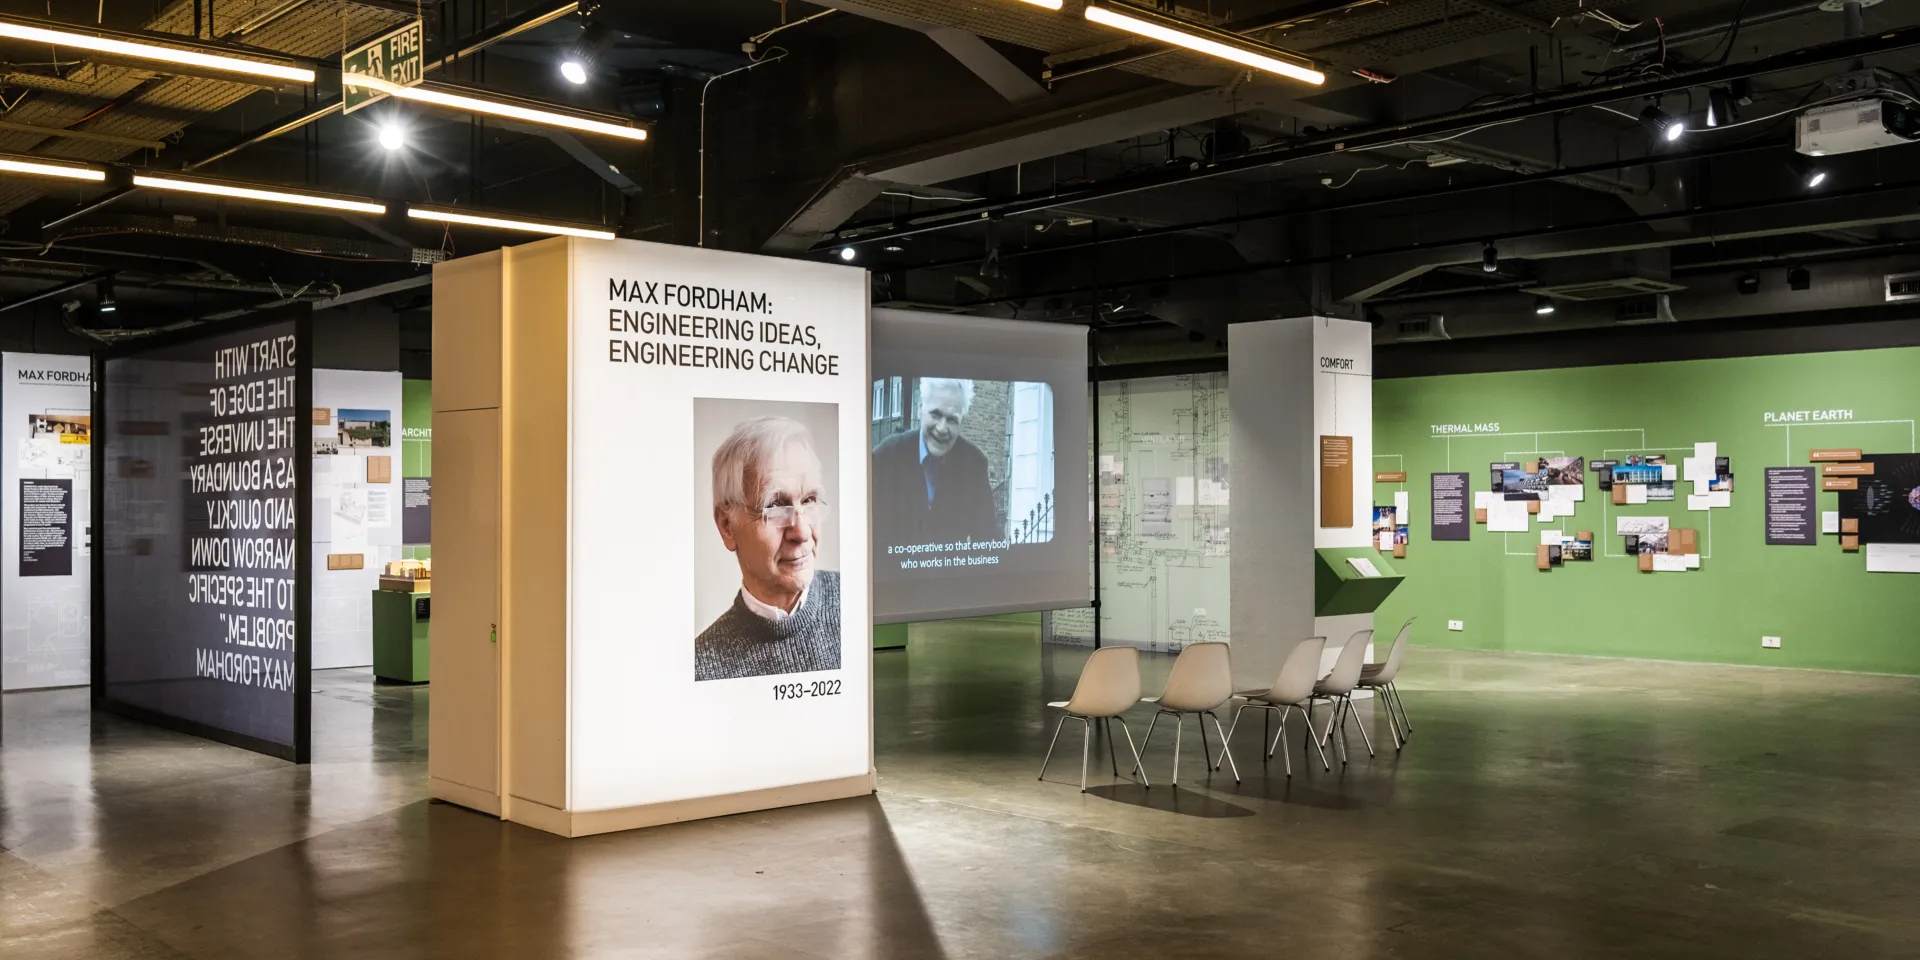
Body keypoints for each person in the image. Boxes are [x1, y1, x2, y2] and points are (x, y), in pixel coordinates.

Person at [695, 416, 841, 681]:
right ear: (727, 525)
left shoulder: (857, 603)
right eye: (775, 506)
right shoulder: (702, 665)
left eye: (809, 500)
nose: (803, 532)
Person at [872, 378, 1000, 546]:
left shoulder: (973, 464)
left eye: (952, 420)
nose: (941, 428)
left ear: (962, 421)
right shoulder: (885, 458)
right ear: (920, 409)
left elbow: (989, 540)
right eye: (936, 414)